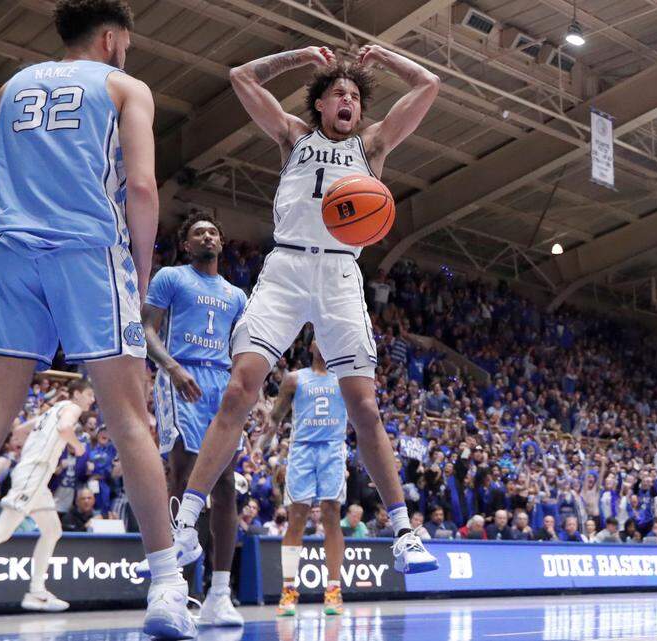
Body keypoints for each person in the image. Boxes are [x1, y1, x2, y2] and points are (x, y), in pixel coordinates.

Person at [0, 2, 195, 638]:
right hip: (86, 256)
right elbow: (141, 187)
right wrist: (138, 270)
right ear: (112, 38)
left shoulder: (14, 85)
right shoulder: (124, 86)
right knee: (130, 421)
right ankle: (166, 587)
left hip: (15, 259)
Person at [165, 42, 441, 577]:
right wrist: (296, 58)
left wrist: (383, 57)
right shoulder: (294, 136)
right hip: (288, 269)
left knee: (364, 406)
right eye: (338, 92)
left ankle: (405, 532)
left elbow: (428, 87)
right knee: (240, 388)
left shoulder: (374, 144)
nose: (348, 100)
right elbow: (241, 73)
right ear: (319, 104)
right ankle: (185, 524)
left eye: (356, 95)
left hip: (339, 273)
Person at [135, 211, 247, 627]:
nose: (207, 236)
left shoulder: (237, 295)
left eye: (213, 232)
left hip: (221, 382)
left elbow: (242, 348)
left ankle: (220, 593)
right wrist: (171, 368)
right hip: (181, 375)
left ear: (221, 243)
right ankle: (174, 588)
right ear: (187, 244)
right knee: (181, 474)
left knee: (226, 486)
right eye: (198, 232)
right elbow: (145, 329)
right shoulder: (171, 277)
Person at [0, 381, 93, 612]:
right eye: (90, 394)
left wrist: (31, 449)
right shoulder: (72, 408)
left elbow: (19, 431)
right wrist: (77, 447)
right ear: (77, 393)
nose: (92, 399)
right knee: (3, 530)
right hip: (34, 473)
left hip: (36, 477)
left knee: (53, 531)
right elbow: (64, 429)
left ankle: (37, 592)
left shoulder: (50, 410)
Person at [262, 340, 350, 617]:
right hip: (302, 450)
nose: (324, 341)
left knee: (331, 515)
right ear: (311, 345)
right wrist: (259, 445)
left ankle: (333, 590)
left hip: (333, 449)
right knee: (296, 517)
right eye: (319, 337)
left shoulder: (346, 378)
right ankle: (289, 590)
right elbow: (275, 417)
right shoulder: (294, 378)